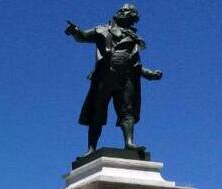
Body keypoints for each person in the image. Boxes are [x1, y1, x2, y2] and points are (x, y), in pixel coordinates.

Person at [65, 4, 162, 157]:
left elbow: (136, 64)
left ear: (132, 20)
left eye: (128, 13)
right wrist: (75, 31)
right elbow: (83, 37)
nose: (123, 12)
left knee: (127, 111)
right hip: (104, 76)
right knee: (96, 112)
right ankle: (91, 149)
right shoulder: (101, 30)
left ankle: (129, 143)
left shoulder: (133, 38)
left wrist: (149, 74)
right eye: (123, 11)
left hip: (126, 78)